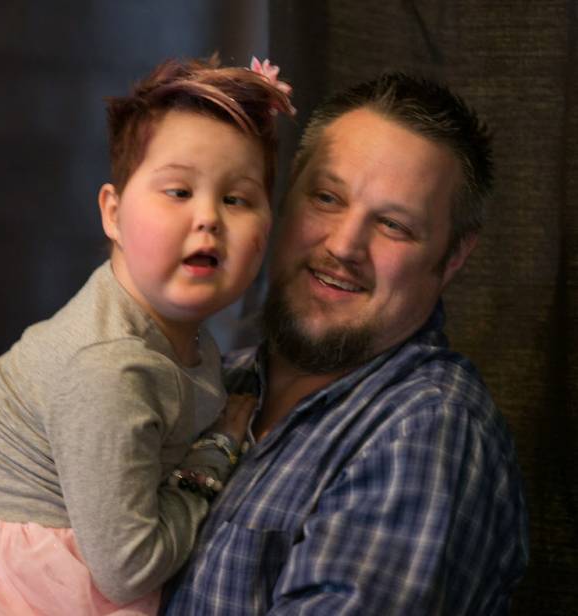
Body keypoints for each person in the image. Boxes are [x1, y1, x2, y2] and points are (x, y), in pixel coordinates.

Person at [0, 55, 295, 615]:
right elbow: (128, 568)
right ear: (113, 213)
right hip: (0, 590)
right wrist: (212, 460)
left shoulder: (186, 344)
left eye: (236, 199)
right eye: (179, 192)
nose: (208, 217)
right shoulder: (108, 366)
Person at [163, 72, 529, 614]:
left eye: (394, 226)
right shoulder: (206, 379)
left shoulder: (424, 429)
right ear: (283, 197)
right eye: (328, 198)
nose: (343, 245)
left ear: (452, 258)